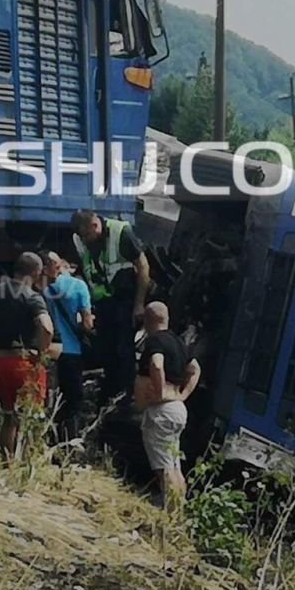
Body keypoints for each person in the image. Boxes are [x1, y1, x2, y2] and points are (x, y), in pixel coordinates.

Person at [0, 253, 54, 461]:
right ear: (35, 272)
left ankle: (8, 464)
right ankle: (29, 464)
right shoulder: (32, 296)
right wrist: (41, 354)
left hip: (0, 362)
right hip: (25, 363)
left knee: (9, 417)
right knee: (31, 417)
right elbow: (46, 328)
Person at [71, 210, 150, 407]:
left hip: (124, 301)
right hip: (104, 306)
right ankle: (109, 395)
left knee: (124, 351)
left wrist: (139, 304)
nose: (86, 239)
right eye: (83, 236)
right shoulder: (83, 241)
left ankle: (127, 397)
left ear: (95, 224)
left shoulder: (120, 232)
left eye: (88, 234)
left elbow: (143, 267)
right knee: (107, 352)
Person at [133, 301, 201, 510]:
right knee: (174, 465)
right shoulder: (178, 342)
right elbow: (195, 368)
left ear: (147, 320)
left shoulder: (155, 341)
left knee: (164, 469)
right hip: (177, 409)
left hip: (161, 411)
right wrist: (184, 394)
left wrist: (160, 390)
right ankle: (178, 509)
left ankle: (170, 514)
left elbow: (156, 364)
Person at [43, 252, 93, 444]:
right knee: (73, 402)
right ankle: (67, 444)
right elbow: (87, 323)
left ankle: (49, 440)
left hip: (51, 350)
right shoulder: (79, 286)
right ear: (63, 265)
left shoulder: (46, 290)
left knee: (52, 399)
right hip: (72, 351)